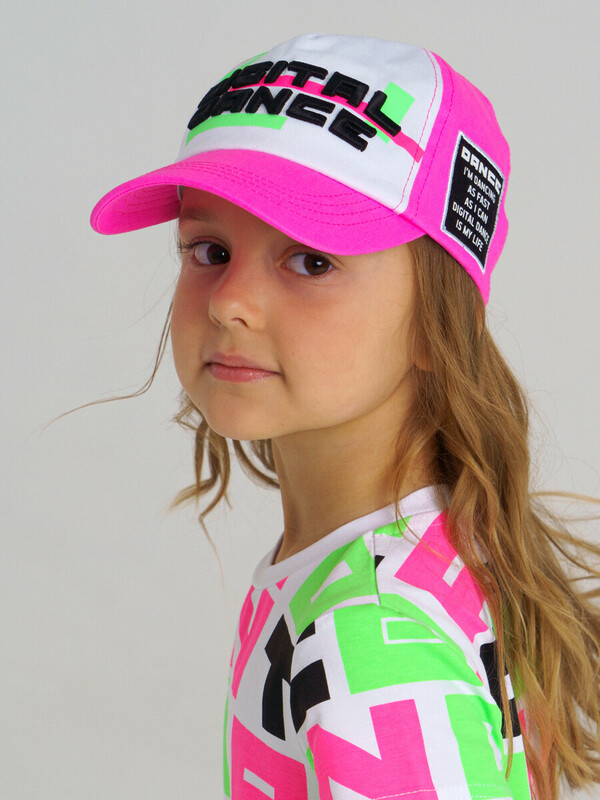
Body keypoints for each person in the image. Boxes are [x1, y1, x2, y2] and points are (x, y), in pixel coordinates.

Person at [90, 34, 600, 800]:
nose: (230, 303)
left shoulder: (372, 645)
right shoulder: (403, 558)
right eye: (209, 250)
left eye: (311, 261)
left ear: (437, 324)